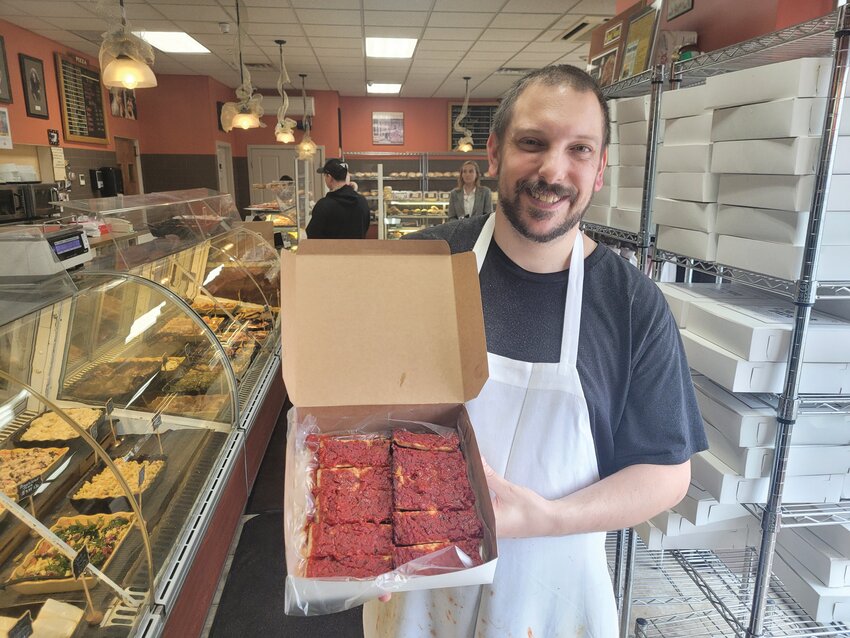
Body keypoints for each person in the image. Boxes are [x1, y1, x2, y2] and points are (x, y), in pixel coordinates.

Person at [363, 65, 707, 637]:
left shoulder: (631, 305)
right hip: (417, 588)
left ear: (599, 171)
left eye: (579, 150)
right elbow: (357, 412)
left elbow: (666, 471)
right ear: (494, 153)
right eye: (533, 143)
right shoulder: (418, 265)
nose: (553, 170)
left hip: (552, 595)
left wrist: (548, 518)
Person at [306, 159, 370, 239]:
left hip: (330, 251)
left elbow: (313, 235)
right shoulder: (362, 201)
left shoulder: (323, 205)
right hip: (357, 250)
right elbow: (365, 228)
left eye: (325, 176)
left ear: (329, 177)